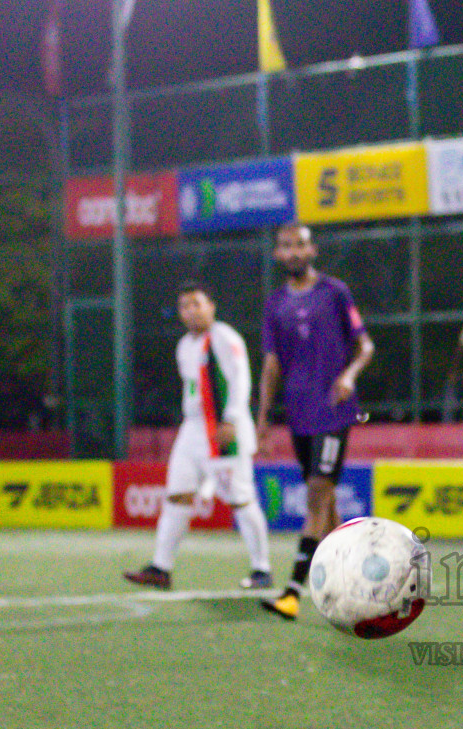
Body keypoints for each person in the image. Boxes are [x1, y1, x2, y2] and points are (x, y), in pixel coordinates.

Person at [257, 223, 376, 620]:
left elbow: (366, 346)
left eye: (300, 245)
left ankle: (291, 591)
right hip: (298, 413)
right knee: (324, 505)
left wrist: (348, 376)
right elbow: (271, 366)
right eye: (286, 245)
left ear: (313, 250)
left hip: (334, 411)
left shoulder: (335, 293)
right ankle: (357, 580)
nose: (293, 251)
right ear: (278, 254)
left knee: (316, 494)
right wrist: (262, 419)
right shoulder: (275, 305)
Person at [123, 281, 273, 591]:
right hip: (192, 430)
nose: (191, 311)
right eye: (184, 306)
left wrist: (231, 418)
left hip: (220, 428)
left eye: (197, 304)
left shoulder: (223, 338)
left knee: (241, 499)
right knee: (177, 495)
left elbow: (240, 379)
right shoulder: (185, 345)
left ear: (211, 306)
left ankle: (262, 569)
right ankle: (161, 568)